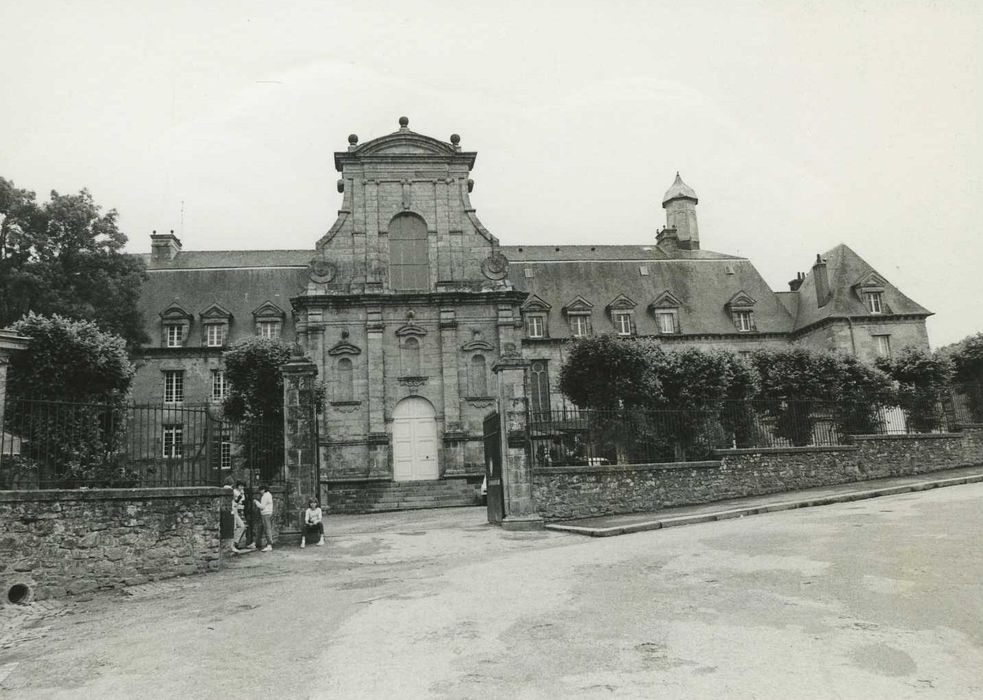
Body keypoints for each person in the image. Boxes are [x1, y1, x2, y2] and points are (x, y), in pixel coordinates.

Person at [252, 485, 275, 552]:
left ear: (263, 490)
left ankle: (269, 545)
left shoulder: (265, 496)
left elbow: (262, 507)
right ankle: (255, 543)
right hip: (267, 513)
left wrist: (256, 502)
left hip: (266, 514)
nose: (260, 492)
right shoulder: (269, 495)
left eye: (260, 490)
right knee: (262, 528)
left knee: (267, 529)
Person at [230, 481, 247, 553]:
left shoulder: (242, 491)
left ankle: (235, 542)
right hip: (234, 509)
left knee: (243, 526)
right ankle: (233, 544)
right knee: (236, 527)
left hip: (240, 510)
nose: (242, 487)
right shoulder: (234, 491)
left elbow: (243, 501)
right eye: (240, 486)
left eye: (243, 486)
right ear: (237, 486)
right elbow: (235, 501)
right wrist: (240, 496)